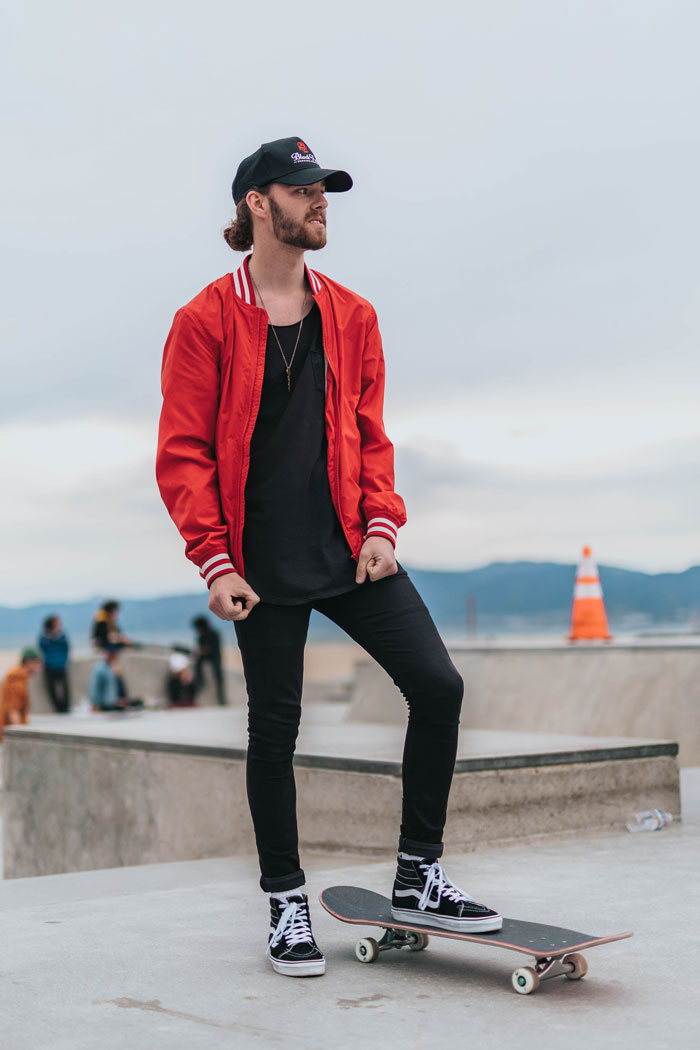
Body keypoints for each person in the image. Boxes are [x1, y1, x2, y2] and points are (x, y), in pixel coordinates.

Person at [156, 136, 502, 978]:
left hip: (351, 547)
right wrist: (215, 561)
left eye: (325, 191)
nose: (320, 202)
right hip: (259, 564)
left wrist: (382, 526)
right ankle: (285, 905)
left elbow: (370, 435)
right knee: (275, 733)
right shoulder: (204, 320)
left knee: (438, 685)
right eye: (302, 189)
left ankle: (419, 874)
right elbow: (184, 452)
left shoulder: (353, 314)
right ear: (255, 203)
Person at [0, 648, 42, 741]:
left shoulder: (20, 677)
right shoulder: (16, 680)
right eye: (38, 662)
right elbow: (13, 710)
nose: (41, 665)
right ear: (29, 662)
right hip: (8, 736)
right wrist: (20, 738)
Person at [38, 615, 71, 714]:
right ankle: (58, 709)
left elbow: (66, 649)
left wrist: (64, 661)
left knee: (64, 688)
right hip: (50, 666)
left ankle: (65, 708)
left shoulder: (62, 636)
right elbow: (43, 649)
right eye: (57, 622)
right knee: (52, 690)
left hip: (61, 665)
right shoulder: (45, 637)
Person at [191, 615, 225, 705]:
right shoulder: (201, 636)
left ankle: (221, 698)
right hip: (204, 658)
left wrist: (202, 650)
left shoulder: (214, 634)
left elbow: (214, 649)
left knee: (218, 675)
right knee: (197, 665)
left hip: (215, 657)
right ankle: (200, 683)